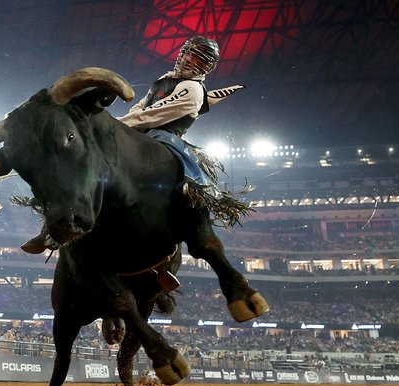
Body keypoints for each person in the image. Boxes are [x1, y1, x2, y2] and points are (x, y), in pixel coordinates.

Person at [20, 35, 244, 254]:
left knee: (188, 185)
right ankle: (54, 219)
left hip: (164, 138)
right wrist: (120, 124)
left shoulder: (193, 90)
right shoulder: (164, 79)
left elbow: (154, 115)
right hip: (138, 132)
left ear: (207, 67)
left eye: (199, 60)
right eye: (190, 55)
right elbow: (140, 108)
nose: (190, 61)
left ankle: (196, 228)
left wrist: (116, 126)